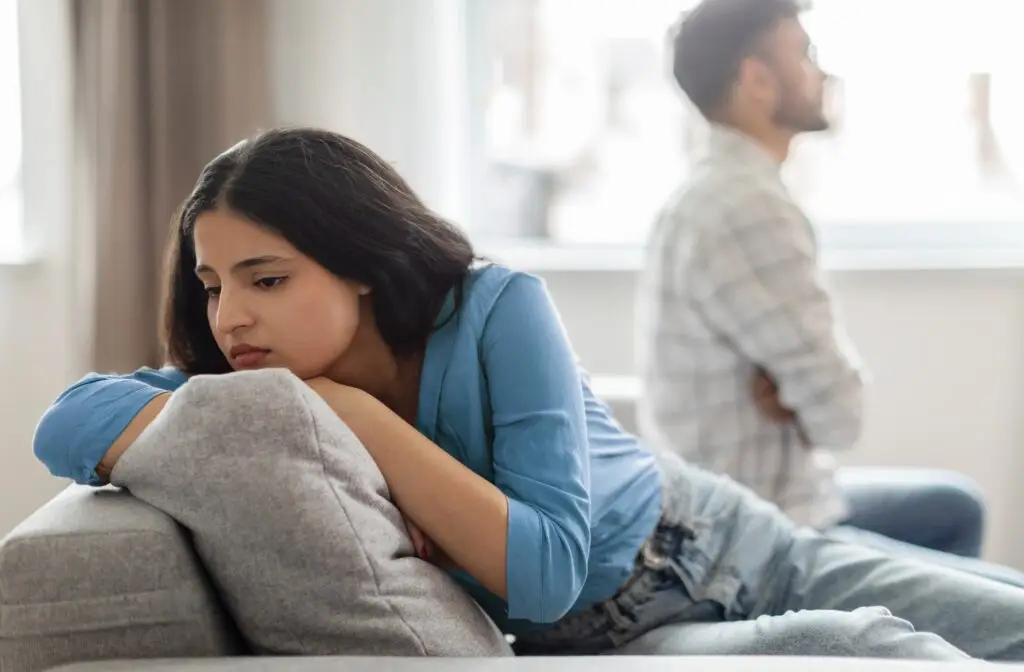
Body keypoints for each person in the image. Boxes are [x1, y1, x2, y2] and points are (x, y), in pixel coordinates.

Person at [31, 126, 1024, 660]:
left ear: (360, 265)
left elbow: (542, 560)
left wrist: (363, 418)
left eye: (267, 278)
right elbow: (67, 419)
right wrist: (329, 409)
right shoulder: (261, 390)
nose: (229, 318)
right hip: (626, 635)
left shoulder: (495, 308)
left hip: (728, 550)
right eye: (211, 286)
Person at [636, 0, 988, 562]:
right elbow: (842, 417)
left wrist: (794, 392)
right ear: (756, 79)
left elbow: (822, 405)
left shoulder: (714, 191)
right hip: (763, 531)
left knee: (954, 506)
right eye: (804, 54)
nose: (820, 72)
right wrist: (804, 397)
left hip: (753, 500)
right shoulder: (747, 208)